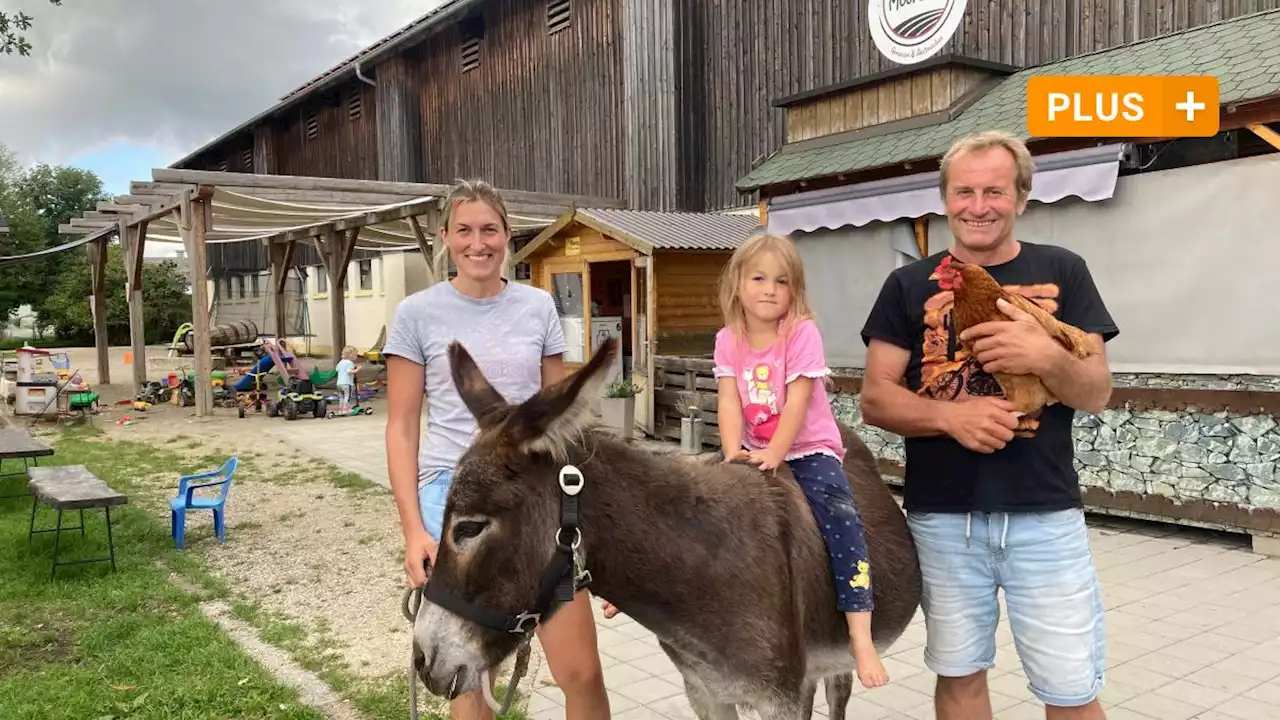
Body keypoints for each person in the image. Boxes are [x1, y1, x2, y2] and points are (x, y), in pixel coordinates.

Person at [859, 130, 1118, 720]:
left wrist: (1045, 357)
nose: (979, 205)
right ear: (945, 198)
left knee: (1071, 688)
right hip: (945, 519)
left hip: (1046, 517)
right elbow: (876, 400)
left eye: (995, 191)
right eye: (965, 191)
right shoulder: (905, 284)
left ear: (1021, 199)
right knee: (959, 675)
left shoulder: (1065, 270)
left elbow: (1097, 392)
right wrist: (953, 418)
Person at [383, 179, 611, 720]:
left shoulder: (537, 306)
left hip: (533, 497)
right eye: (463, 230)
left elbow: (562, 424)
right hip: (456, 497)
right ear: (444, 237)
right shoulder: (417, 314)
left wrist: (594, 535)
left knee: (580, 671)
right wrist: (414, 528)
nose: (477, 242)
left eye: (489, 229)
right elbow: (402, 429)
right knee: (470, 678)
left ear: (508, 236)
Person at [712, 232, 888, 689]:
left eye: (782, 281)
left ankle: (860, 632)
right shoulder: (728, 339)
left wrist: (776, 454)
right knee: (696, 496)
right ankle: (651, 579)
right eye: (759, 278)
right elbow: (729, 401)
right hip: (751, 445)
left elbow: (797, 401)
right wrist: (732, 453)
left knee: (841, 519)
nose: (770, 289)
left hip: (806, 447)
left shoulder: (801, 333)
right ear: (737, 285)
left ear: (796, 290)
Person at [335, 345, 360, 413]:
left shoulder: (341, 362)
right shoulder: (350, 363)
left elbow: (337, 369)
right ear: (350, 355)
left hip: (339, 384)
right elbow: (349, 372)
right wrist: (357, 369)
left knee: (341, 397)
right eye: (355, 355)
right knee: (347, 396)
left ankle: (341, 408)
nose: (356, 357)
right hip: (346, 383)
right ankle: (346, 409)